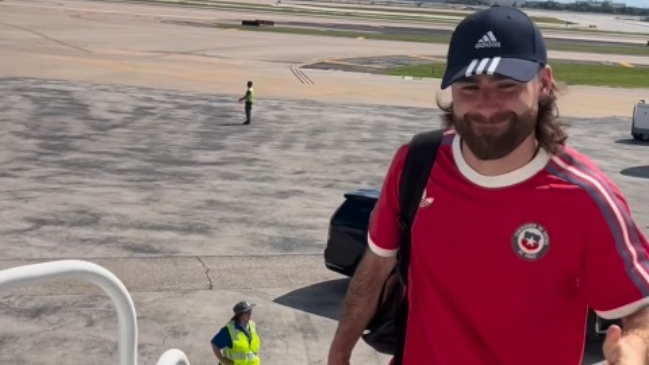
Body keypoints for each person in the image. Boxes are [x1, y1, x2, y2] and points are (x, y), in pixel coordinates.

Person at [327, 6, 649, 365]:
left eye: (506, 86)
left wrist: (634, 349)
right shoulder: (416, 163)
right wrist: (339, 351)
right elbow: (376, 264)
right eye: (469, 87)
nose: (486, 106)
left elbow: (640, 308)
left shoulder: (585, 198)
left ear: (543, 84)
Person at [210, 301, 261, 365]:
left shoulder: (253, 326)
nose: (250, 313)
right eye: (247, 312)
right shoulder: (229, 330)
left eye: (250, 311)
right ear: (240, 315)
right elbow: (215, 344)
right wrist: (223, 359)